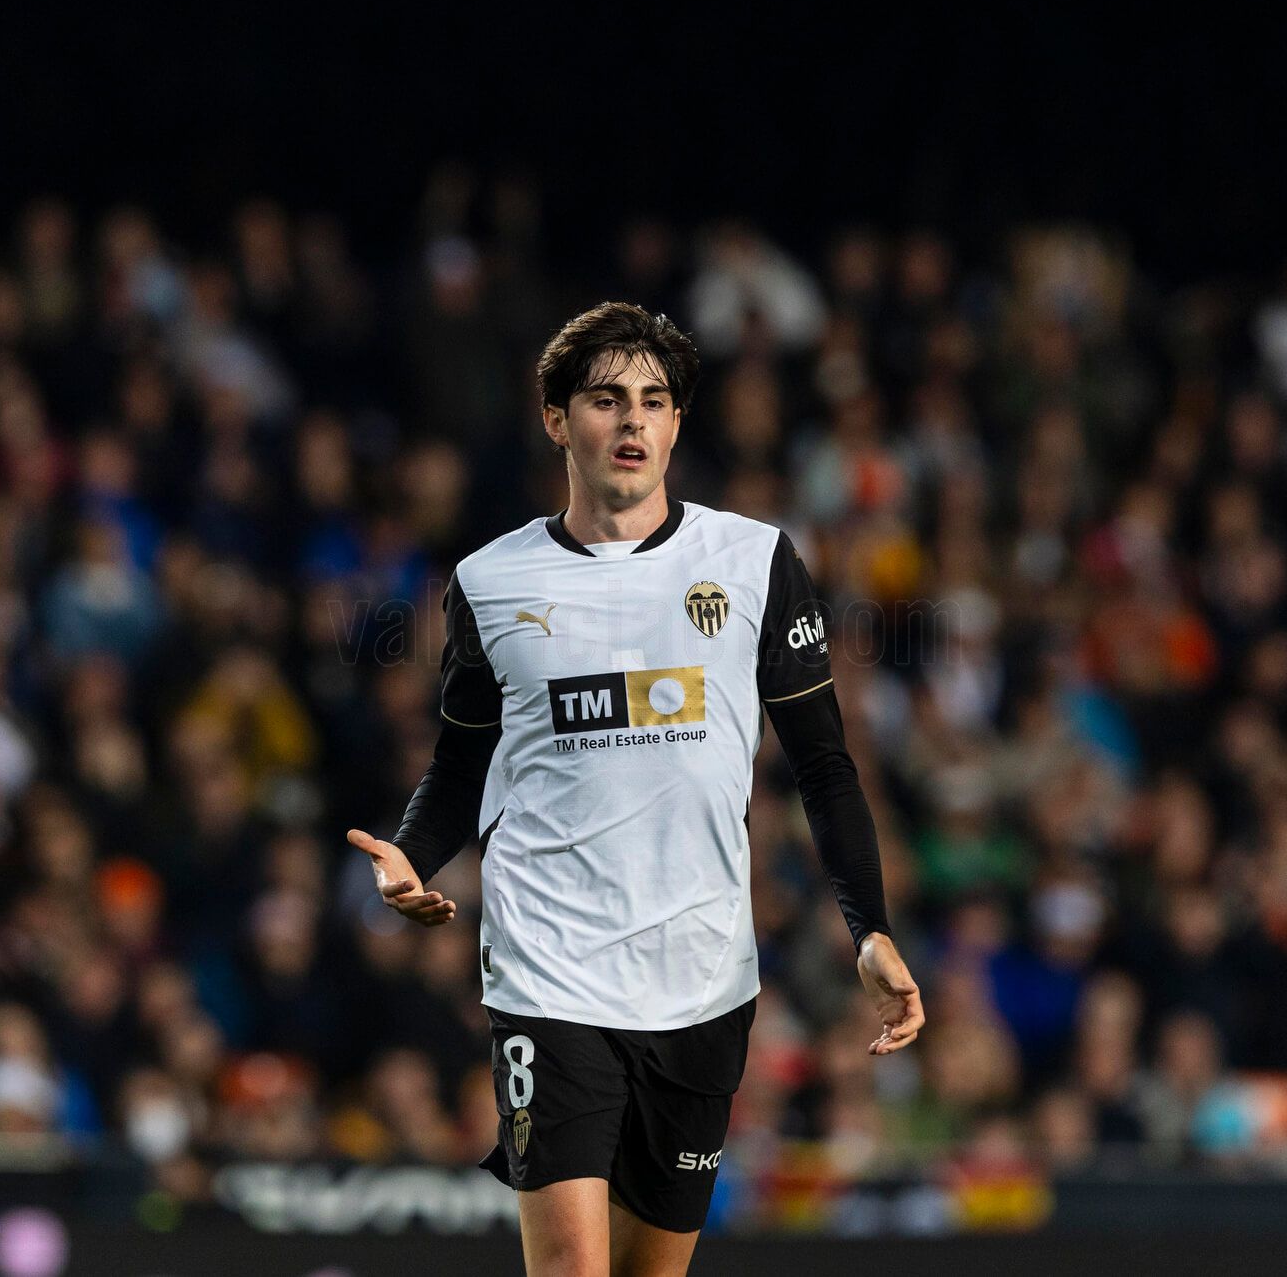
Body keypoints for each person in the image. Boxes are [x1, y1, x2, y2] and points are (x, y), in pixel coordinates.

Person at [348, 302, 924, 1276]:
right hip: (549, 971)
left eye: (653, 401)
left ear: (675, 423)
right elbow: (463, 756)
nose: (631, 422)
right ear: (554, 417)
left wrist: (866, 927)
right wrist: (414, 851)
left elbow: (823, 765)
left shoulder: (751, 564)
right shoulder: (490, 582)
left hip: (699, 980)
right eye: (606, 399)